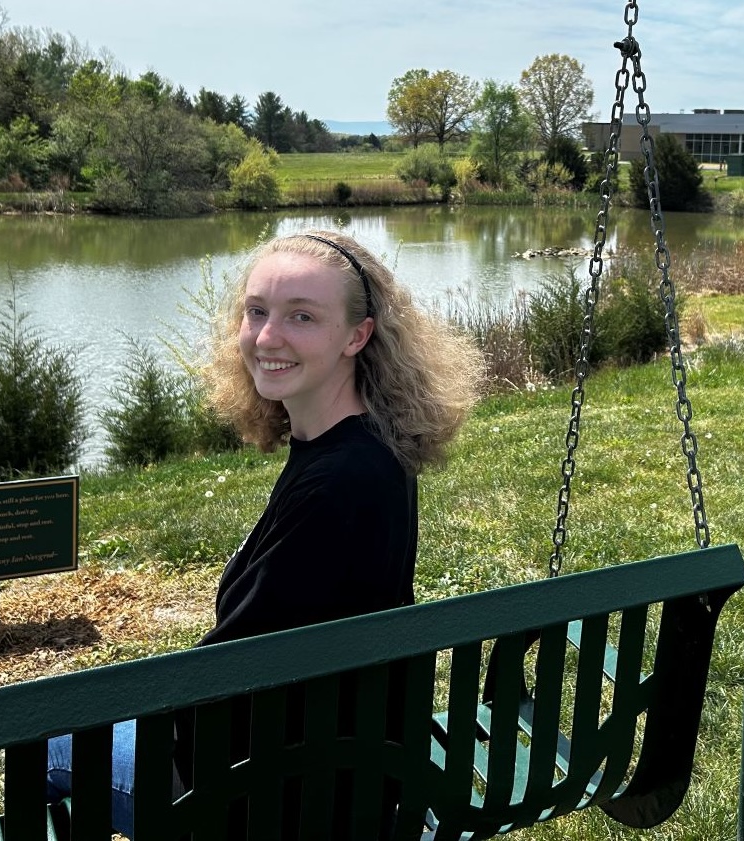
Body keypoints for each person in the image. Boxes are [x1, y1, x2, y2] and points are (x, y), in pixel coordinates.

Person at [47, 229, 483, 837]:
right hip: (346, 770)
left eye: (301, 316)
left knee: (48, 740)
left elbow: (223, 678)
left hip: (263, 800)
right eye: (256, 312)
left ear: (357, 336)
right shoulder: (373, 452)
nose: (266, 337)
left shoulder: (336, 485)